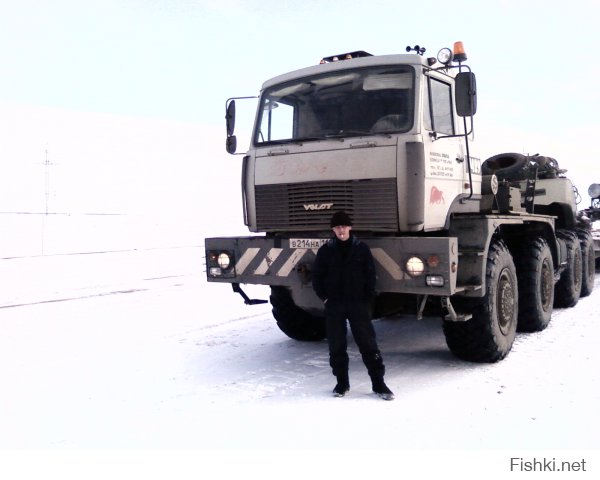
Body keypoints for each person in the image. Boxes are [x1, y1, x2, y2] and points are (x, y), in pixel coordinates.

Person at [312, 211, 394, 401]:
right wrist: (325, 298)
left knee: (368, 344)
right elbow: (317, 277)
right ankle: (342, 383)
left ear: (350, 228)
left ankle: (378, 384)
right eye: (337, 227)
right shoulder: (325, 251)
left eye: (344, 226)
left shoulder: (361, 248)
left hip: (358, 304)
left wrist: (366, 300)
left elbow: (370, 275)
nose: (341, 230)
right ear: (333, 229)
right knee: (336, 345)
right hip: (334, 305)